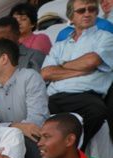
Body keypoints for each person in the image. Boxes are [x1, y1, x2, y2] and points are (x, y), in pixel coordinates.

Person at [41, 0, 113, 150]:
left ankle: (72, 153)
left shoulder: (105, 37)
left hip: (85, 96)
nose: (87, 13)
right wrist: (80, 69)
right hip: (53, 97)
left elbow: (92, 60)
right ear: (71, 17)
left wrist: (60, 68)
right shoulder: (61, 44)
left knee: (97, 111)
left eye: (92, 9)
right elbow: (46, 73)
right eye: (81, 11)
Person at [0, 39, 49, 158]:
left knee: (34, 138)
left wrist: (9, 128)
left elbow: (36, 122)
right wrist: (16, 127)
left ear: (4, 59)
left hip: (29, 138)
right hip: (0, 140)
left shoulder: (30, 77)